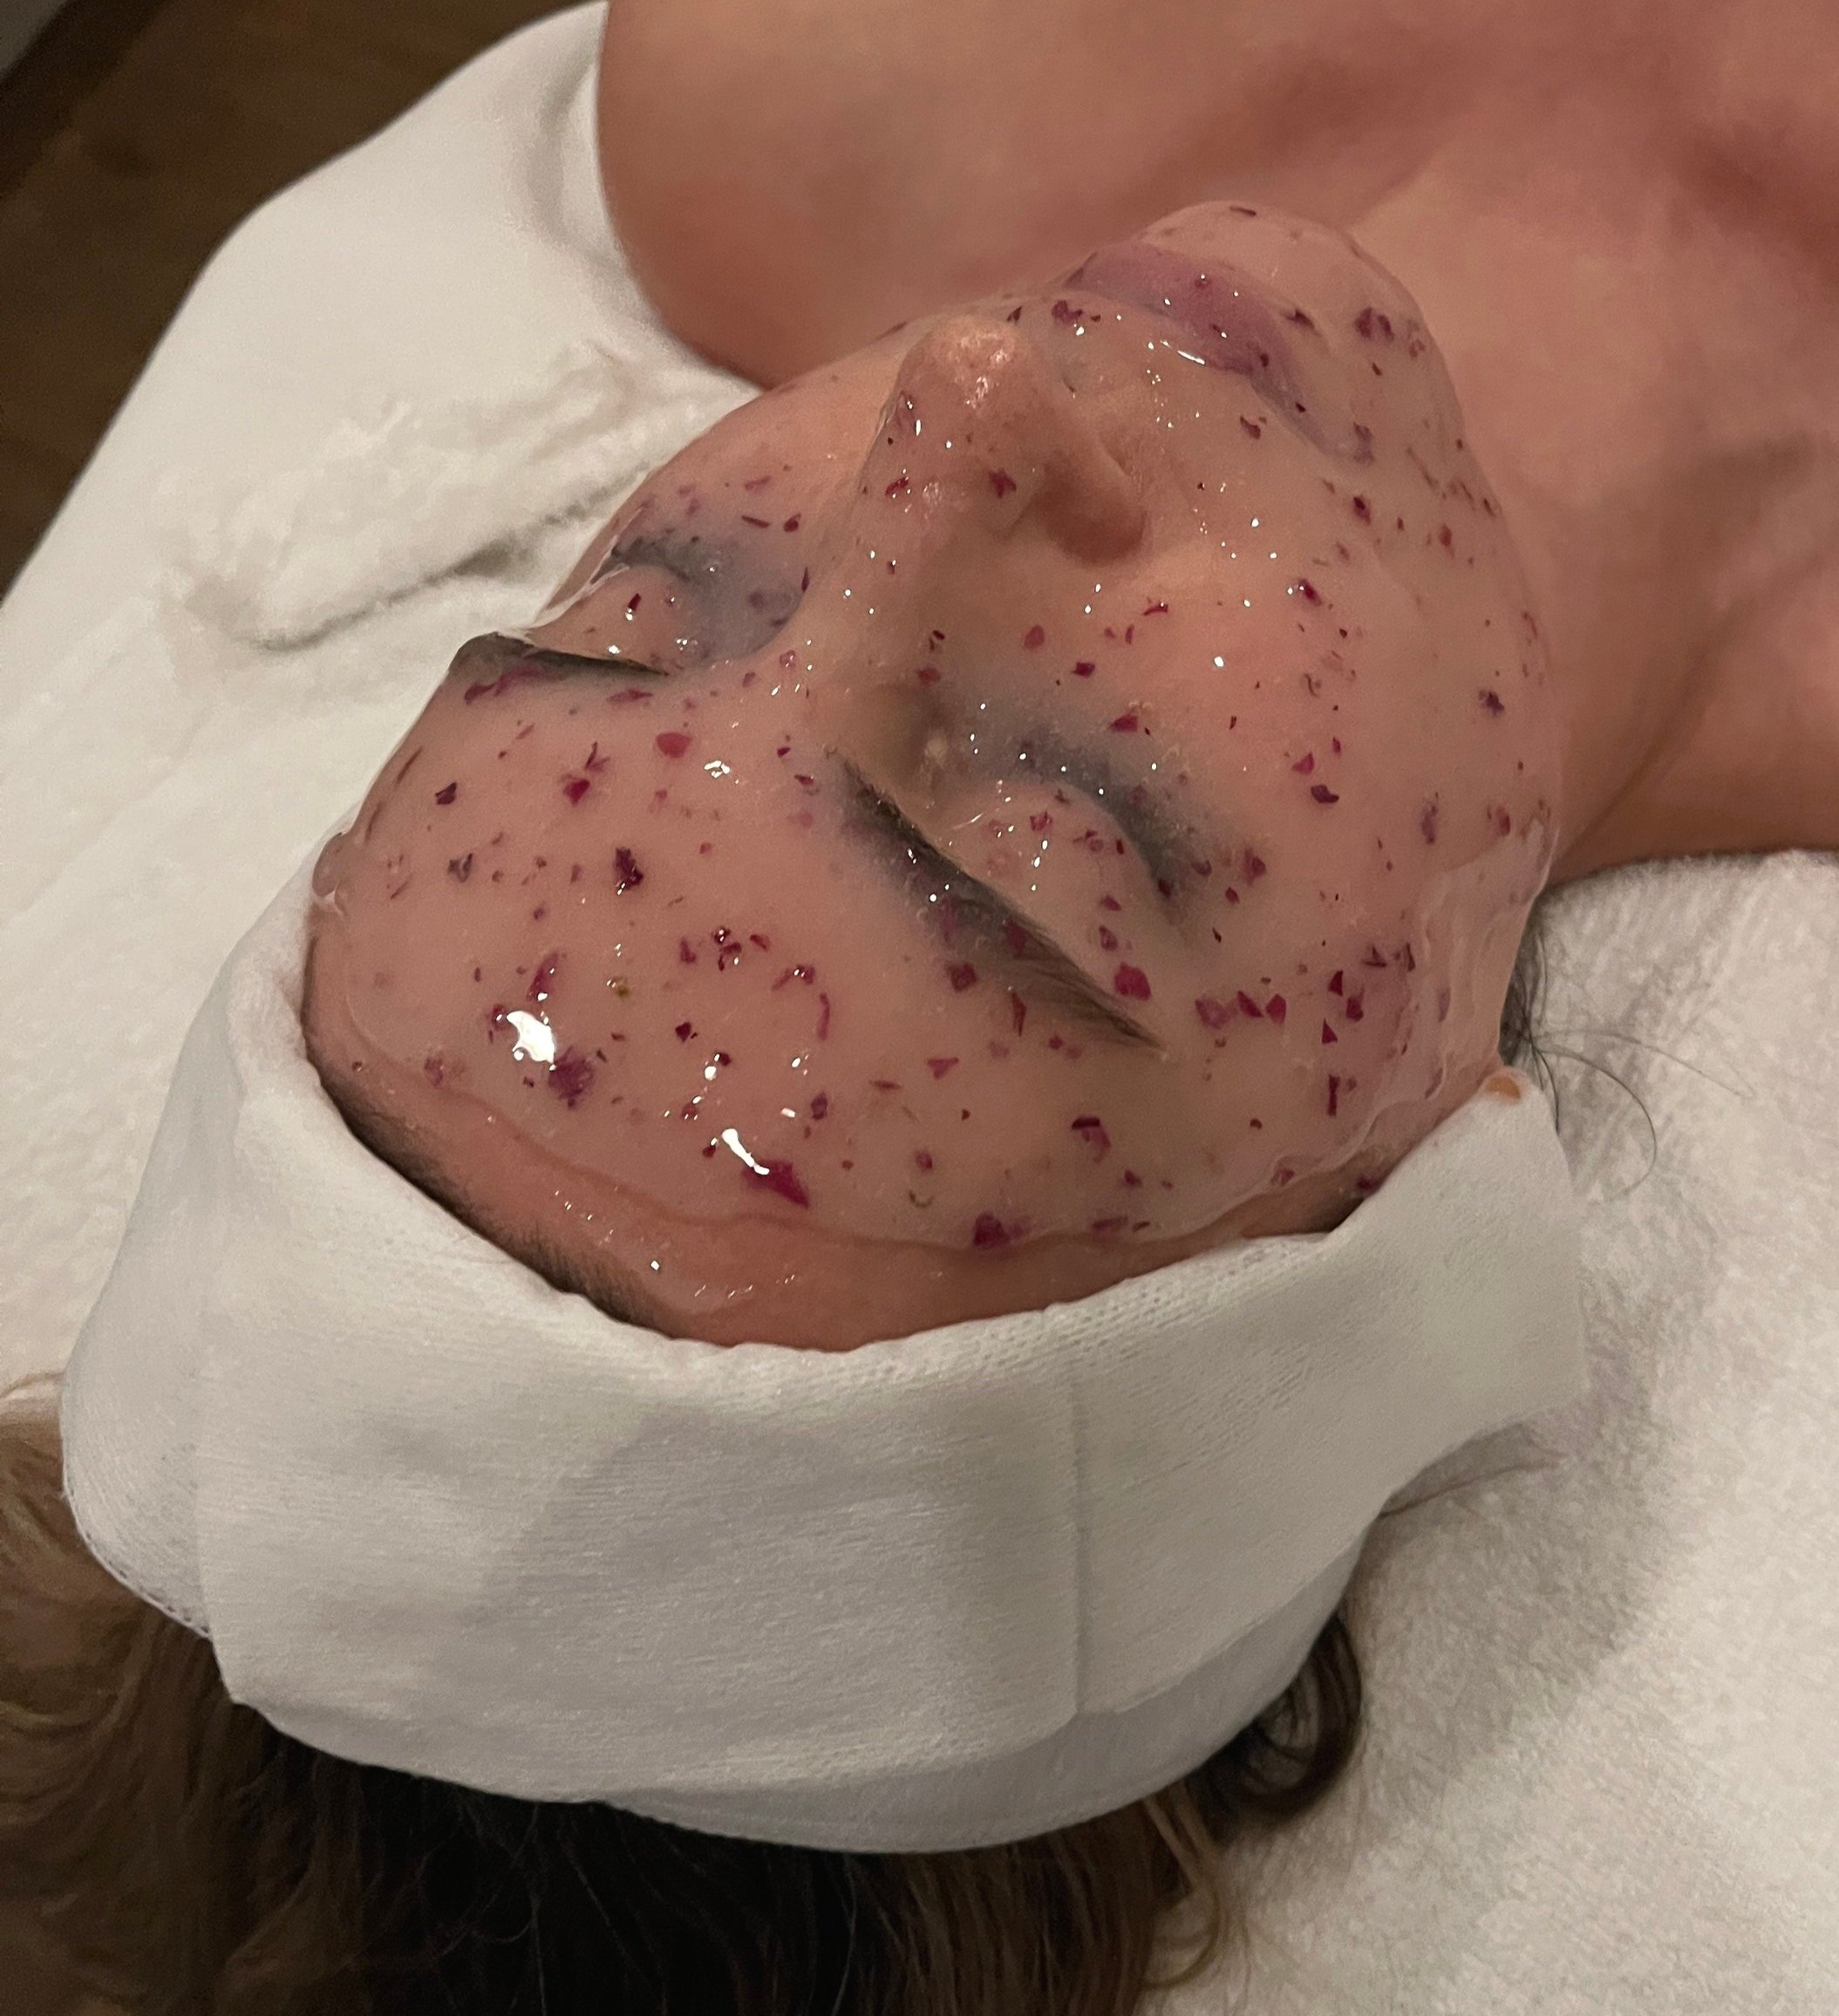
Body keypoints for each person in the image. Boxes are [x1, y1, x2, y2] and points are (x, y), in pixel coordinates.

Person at [6, 11, 1839, 2013]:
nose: (959, 408)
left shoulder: (799, 93)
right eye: (1060, 835)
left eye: (641, 612)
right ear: (1428, 1171)